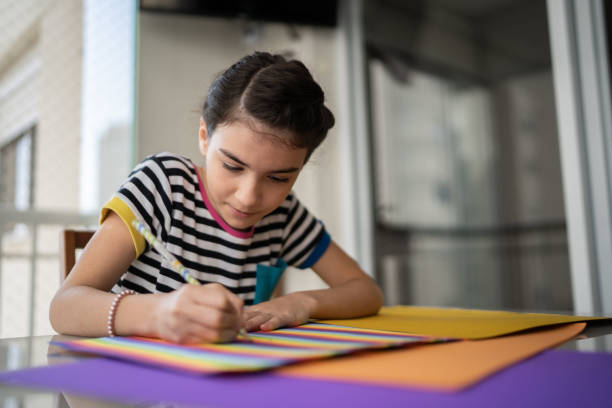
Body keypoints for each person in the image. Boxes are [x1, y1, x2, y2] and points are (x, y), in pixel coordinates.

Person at [49, 51, 383, 344]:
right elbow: (65, 307)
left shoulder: (285, 216)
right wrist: (158, 313)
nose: (250, 197)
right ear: (205, 137)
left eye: (279, 177)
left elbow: (365, 292)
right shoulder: (164, 184)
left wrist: (300, 303)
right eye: (233, 166)